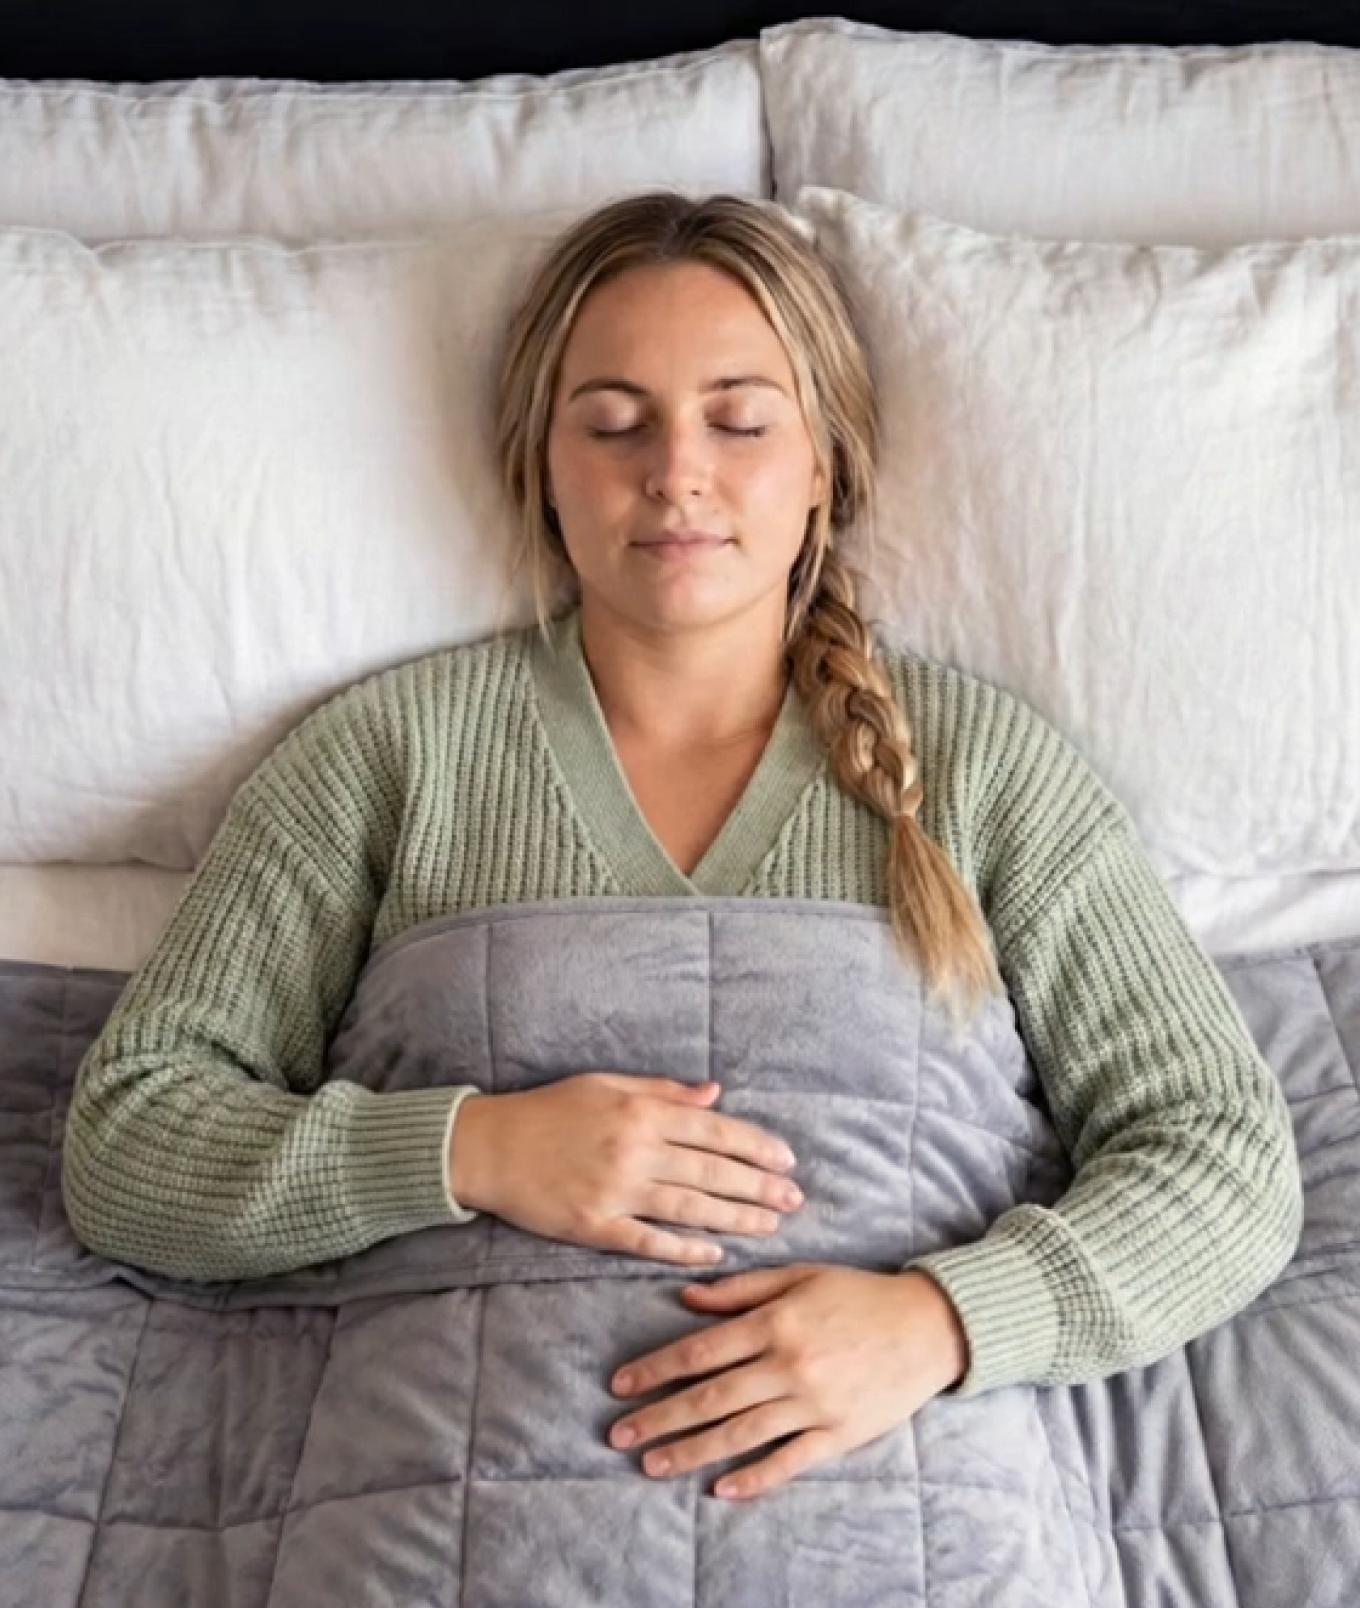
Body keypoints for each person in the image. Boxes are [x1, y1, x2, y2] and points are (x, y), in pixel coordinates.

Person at [62, 193, 1303, 1504]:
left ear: (823, 457)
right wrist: (469, 1148)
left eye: (740, 418)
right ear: (542, 462)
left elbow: (1222, 1151)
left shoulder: (987, 768)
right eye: (613, 423)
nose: (676, 473)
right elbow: (130, 1138)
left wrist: (941, 1323)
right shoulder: (384, 756)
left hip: (913, 1530)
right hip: (456, 1516)